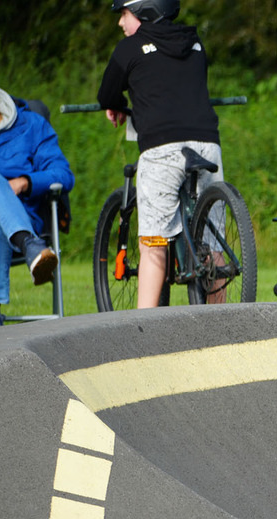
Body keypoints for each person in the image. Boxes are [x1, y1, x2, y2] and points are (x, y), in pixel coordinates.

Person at [97, 0, 223, 308]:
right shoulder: (194, 43)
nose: (120, 23)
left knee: (153, 243)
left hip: (162, 149)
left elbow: (106, 95)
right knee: (214, 239)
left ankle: (142, 327)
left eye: (123, 14)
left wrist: (118, 105)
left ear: (143, 12)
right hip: (208, 144)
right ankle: (225, 318)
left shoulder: (129, 48)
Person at [0, 78, 74, 327]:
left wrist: (25, 182)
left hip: (24, 214)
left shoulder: (31, 126)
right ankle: (29, 245)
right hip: (23, 238)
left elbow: (63, 174)